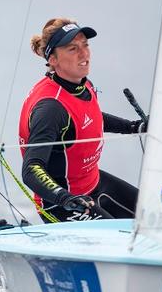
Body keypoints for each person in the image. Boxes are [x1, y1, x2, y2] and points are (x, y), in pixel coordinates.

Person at [18, 18, 146, 223]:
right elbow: (31, 169)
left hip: (93, 183)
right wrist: (64, 197)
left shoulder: (82, 85)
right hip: (62, 202)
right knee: (120, 243)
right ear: (53, 59)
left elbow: (87, 119)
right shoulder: (51, 108)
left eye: (85, 45)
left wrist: (134, 127)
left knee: (156, 217)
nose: (84, 53)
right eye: (72, 48)